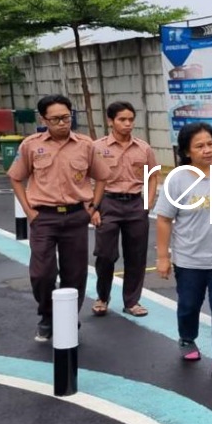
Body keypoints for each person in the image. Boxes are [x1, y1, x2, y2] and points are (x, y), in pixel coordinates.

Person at [9, 94, 110, 341]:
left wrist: (92, 207)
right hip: (43, 217)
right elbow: (15, 177)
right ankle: (47, 316)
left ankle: (68, 316)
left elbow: (102, 176)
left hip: (76, 217)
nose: (62, 123)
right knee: (42, 273)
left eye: (66, 117)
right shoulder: (31, 145)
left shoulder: (85, 145)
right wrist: (29, 211)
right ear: (44, 120)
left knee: (75, 273)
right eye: (55, 119)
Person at [154, 122, 212, 382]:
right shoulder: (177, 180)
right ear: (187, 152)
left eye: (210, 144)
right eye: (200, 146)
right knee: (189, 305)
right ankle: (187, 338)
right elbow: (164, 219)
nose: (208, 150)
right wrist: (163, 257)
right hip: (190, 259)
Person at [92, 101, 158, 318]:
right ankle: (102, 297)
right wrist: (92, 208)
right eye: (122, 119)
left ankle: (132, 301)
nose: (127, 124)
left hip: (135, 204)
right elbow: (86, 179)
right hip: (107, 202)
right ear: (110, 121)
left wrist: (147, 204)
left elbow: (153, 176)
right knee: (105, 255)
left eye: (130, 119)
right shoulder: (97, 147)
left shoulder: (143, 148)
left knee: (136, 256)